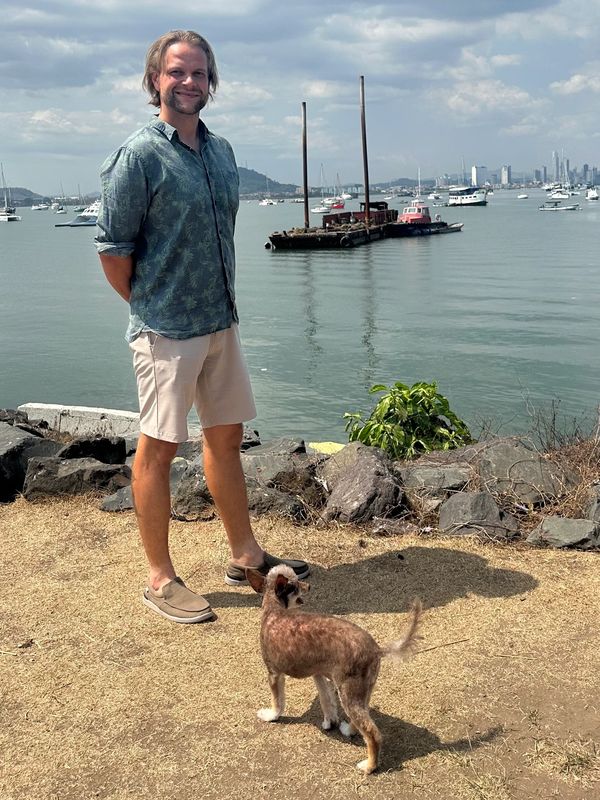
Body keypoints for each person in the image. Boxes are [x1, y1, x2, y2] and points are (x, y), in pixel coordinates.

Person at [96, 29, 309, 624]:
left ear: (211, 82)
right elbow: (113, 250)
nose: (189, 82)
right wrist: (150, 307)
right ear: (155, 80)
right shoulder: (139, 156)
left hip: (220, 320)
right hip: (166, 329)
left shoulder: (221, 152)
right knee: (158, 448)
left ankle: (246, 555)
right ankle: (160, 579)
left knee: (225, 438)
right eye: (177, 72)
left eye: (199, 73)